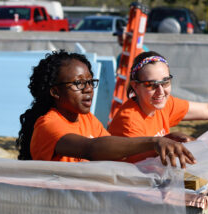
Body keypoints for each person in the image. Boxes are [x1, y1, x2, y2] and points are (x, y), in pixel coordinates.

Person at [17, 50, 195, 168]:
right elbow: (91, 149)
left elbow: (119, 155)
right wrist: (154, 142)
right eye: (78, 83)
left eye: (89, 82)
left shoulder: (87, 120)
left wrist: (165, 141)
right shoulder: (48, 124)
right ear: (55, 91)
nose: (88, 89)